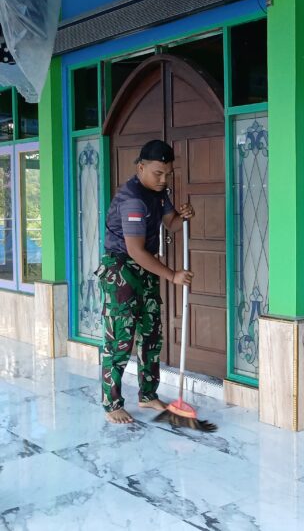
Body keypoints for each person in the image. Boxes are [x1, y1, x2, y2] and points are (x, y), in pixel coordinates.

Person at [95, 140, 195, 424]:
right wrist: (173, 275)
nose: (164, 179)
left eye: (168, 174)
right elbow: (136, 250)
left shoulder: (159, 192)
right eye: (157, 173)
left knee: (151, 334)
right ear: (140, 167)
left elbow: (170, 223)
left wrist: (183, 216)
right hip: (121, 270)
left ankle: (148, 395)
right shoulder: (133, 200)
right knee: (120, 338)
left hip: (144, 268)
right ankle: (112, 403)